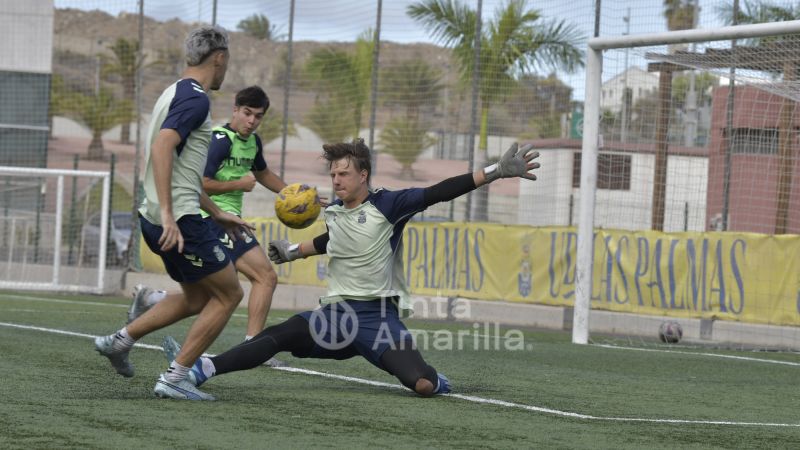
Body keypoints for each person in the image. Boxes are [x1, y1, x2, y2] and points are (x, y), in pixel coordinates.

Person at [161, 138, 540, 398]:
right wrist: (293, 251)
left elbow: (441, 190)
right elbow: (333, 242)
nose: (336, 180)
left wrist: (494, 171)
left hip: (378, 320)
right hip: (336, 319)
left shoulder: (389, 204)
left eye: (343, 174)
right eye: (333, 175)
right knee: (280, 334)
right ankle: (197, 371)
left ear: (364, 175)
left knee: (421, 385)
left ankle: (436, 379)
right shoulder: (336, 211)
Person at [94, 25, 252, 401]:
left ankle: (120, 341)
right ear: (220, 58)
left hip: (159, 216)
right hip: (178, 221)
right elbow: (164, 147)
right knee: (230, 295)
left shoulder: (172, 92)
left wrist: (216, 213)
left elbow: (183, 169)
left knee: (198, 297)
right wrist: (170, 214)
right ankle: (176, 377)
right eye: (226, 62)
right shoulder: (196, 99)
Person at [128, 86, 290, 366]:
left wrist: (296, 195)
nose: (251, 121)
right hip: (211, 220)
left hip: (227, 221)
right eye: (247, 113)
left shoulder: (253, 142)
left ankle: (152, 298)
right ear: (235, 110)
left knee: (203, 296)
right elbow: (198, 185)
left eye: (258, 116)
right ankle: (254, 345)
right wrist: (238, 184)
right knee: (265, 277)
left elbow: (263, 174)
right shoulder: (219, 140)